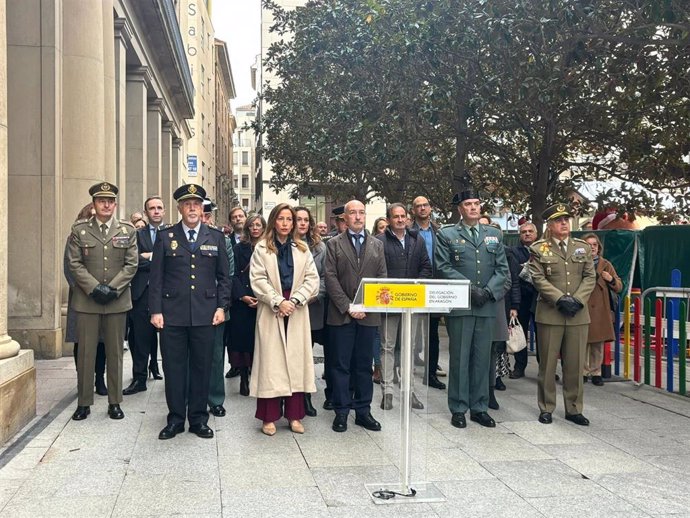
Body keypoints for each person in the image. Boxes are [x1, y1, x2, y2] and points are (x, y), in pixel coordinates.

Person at [149, 184, 232, 440]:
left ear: (202, 208)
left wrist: (221, 307)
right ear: (179, 208)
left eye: (197, 204)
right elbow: (157, 278)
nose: (193, 208)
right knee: (174, 369)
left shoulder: (216, 237)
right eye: (187, 204)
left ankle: (198, 419)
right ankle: (175, 419)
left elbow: (224, 278)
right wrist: (156, 311)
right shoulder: (165, 237)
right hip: (172, 315)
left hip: (206, 314)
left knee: (202, 367)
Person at [435, 189, 509, 429]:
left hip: (486, 305)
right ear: (460, 209)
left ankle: (479, 408)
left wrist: (487, 292)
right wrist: (469, 289)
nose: (474, 208)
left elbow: (503, 271)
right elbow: (443, 266)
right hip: (461, 306)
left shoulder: (494, 235)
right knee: (460, 358)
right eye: (468, 204)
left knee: (482, 360)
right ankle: (458, 407)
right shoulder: (447, 234)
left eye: (477, 203)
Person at [67, 182, 138, 421]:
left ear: (115, 205)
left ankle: (115, 402)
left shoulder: (128, 230)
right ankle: (84, 402)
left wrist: (113, 288)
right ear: (94, 204)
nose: (106, 205)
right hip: (88, 302)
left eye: (110, 201)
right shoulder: (80, 230)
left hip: (116, 302)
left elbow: (131, 264)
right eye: (101, 201)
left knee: (115, 353)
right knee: (86, 353)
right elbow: (74, 263)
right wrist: (95, 288)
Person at [249, 203, 320, 436]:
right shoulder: (262, 248)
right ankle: (269, 417)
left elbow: (312, 279)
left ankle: (294, 415)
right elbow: (258, 279)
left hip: (297, 309)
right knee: (272, 363)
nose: (286, 223)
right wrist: (278, 301)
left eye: (289, 219)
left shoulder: (302, 248)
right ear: (274, 221)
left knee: (295, 362)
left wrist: (297, 300)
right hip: (273, 308)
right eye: (281, 219)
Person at [529, 203, 595, 426]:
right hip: (550, 313)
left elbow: (590, 277)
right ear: (550, 224)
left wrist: (577, 300)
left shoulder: (582, 248)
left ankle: (574, 408)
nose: (564, 223)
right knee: (547, 365)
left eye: (566, 219)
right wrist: (559, 298)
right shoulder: (539, 249)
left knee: (575, 365)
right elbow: (538, 278)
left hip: (577, 313)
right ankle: (546, 407)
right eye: (559, 220)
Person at [325, 199, 387, 433]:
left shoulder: (376, 245)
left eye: (362, 212)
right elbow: (330, 278)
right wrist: (348, 306)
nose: (358, 217)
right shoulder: (333, 244)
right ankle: (341, 412)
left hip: (368, 316)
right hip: (341, 315)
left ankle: (363, 411)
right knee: (340, 365)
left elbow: (381, 277)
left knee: (364, 365)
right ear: (345, 218)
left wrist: (366, 305)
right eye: (353, 213)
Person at [376, 203, 432, 411]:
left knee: (408, 347)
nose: (400, 220)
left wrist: (416, 285)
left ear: (408, 218)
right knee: (387, 346)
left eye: (403, 216)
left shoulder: (417, 240)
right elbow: (378, 271)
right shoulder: (380, 241)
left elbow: (426, 266)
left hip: (412, 301)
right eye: (395, 216)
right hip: (389, 302)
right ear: (389, 219)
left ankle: (409, 391)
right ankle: (387, 391)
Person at [123, 196, 166, 396]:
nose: (156, 211)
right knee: (139, 339)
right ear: (146, 212)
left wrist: (149, 256)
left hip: (168, 295)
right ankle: (139, 378)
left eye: (159, 208)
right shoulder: (136, 235)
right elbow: (132, 261)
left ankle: (173, 379)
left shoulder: (171, 234)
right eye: (152, 208)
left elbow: (173, 263)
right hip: (141, 293)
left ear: (164, 211)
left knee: (170, 341)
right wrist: (154, 259)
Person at [64, 202, 107, 396]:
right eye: (89, 216)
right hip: (81, 299)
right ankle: (83, 380)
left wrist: (104, 290)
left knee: (101, 342)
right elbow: (70, 269)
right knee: (81, 342)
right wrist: (90, 290)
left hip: (103, 298)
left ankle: (99, 379)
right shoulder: (74, 237)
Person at [201, 199, 235, 417]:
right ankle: (189, 397)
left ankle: (215, 399)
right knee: (188, 356)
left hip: (214, 305)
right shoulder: (176, 236)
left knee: (215, 356)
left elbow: (227, 274)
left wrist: (221, 304)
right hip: (187, 306)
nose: (203, 218)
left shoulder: (220, 239)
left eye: (206, 215)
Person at [411, 196, 447, 390]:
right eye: (418, 206)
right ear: (413, 210)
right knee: (412, 331)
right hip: (415, 287)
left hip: (435, 288)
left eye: (425, 205)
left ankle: (430, 373)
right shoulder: (409, 231)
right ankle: (405, 374)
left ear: (430, 208)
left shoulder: (439, 232)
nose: (422, 209)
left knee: (432, 334)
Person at [228, 214, 265, 395]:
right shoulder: (238, 248)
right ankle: (244, 377)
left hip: (264, 300)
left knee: (261, 341)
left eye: (259, 225)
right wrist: (242, 296)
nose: (255, 228)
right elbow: (232, 274)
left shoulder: (270, 248)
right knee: (243, 341)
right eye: (252, 225)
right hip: (243, 301)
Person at [295, 206, 327, 417]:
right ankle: (291, 396)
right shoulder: (281, 245)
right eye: (299, 219)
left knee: (307, 355)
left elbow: (325, 277)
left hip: (312, 307)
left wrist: (313, 295)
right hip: (289, 308)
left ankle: (306, 395)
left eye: (306, 220)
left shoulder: (319, 247)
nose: (303, 223)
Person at [581, 233, 622, 386]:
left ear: (598, 248)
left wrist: (610, 279)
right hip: (583, 306)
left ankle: (596, 372)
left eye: (594, 244)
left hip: (600, 309)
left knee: (597, 344)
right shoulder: (577, 262)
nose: (592, 247)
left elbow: (619, 285)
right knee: (583, 342)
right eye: (588, 244)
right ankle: (583, 371)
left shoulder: (606, 264)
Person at [509, 222, 538, 378]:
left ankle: (546, 369)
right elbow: (517, 271)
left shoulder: (544, 249)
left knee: (543, 337)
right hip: (522, 298)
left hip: (541, 298)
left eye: (530, 231)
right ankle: (520, 367)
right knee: (520, 333)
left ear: (536, 233)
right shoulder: (514, 251)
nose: (527, 234)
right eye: (523, 232)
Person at [370, 216, 388, 385]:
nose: (383, 229)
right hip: (376, 294)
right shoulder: (374, 244)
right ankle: (378, 366)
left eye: (385, 226)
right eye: (380, 227)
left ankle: (385, 367)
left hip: (391, 295)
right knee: (377, 335)